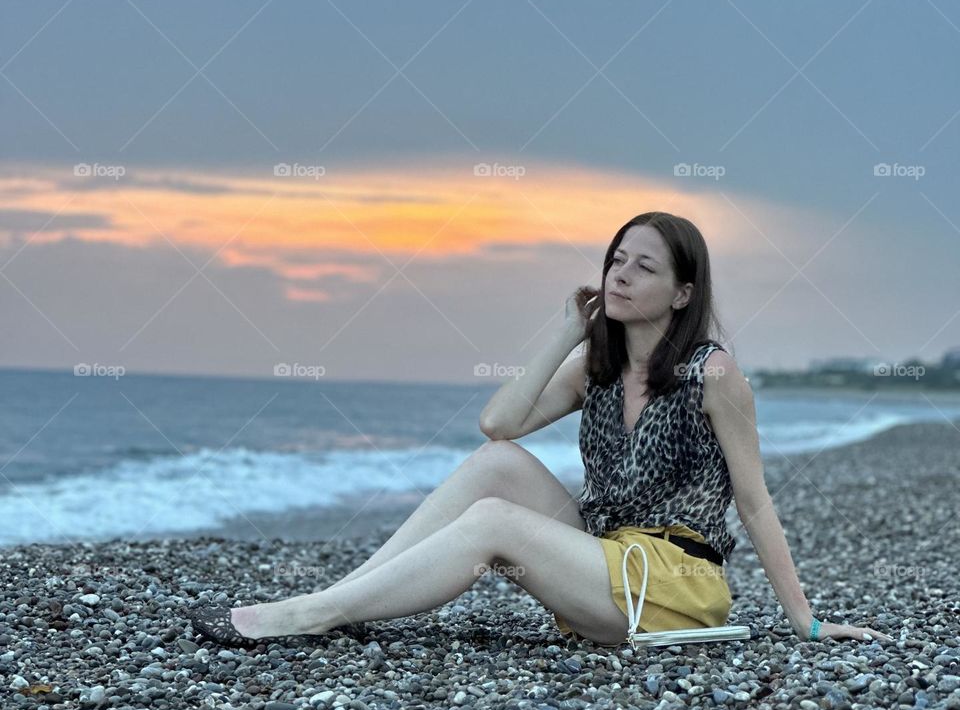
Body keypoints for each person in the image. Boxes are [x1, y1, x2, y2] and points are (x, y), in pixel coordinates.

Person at [189, 211, 892, 648]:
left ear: (682, 294)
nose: (619, 274)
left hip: (672, 585)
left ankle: (306, 615)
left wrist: (806, 621)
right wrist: (566, 332)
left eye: (642, 267)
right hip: (603, 560)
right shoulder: (597, 367)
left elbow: (756, 501)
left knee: (495, 519)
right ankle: (344, 602)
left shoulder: (713, 374)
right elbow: (499, 424)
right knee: (496, 470)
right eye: (615, 259)